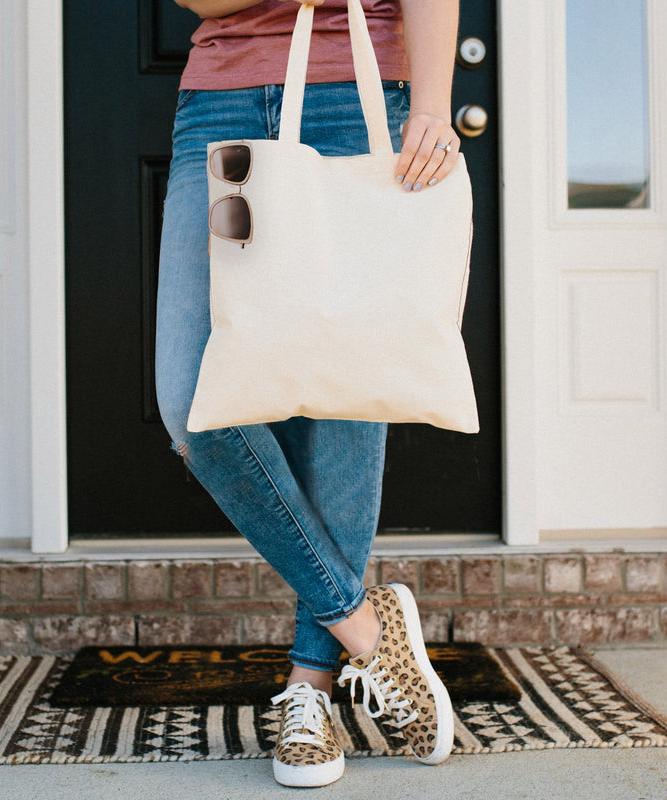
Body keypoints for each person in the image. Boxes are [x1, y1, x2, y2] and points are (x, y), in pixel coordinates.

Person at [157, 0, 462, 787]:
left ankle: (311, 690)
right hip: (219, 106)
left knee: (344, 389)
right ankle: (365, 627)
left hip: (356, 98)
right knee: (194, 400)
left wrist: (430, 105)